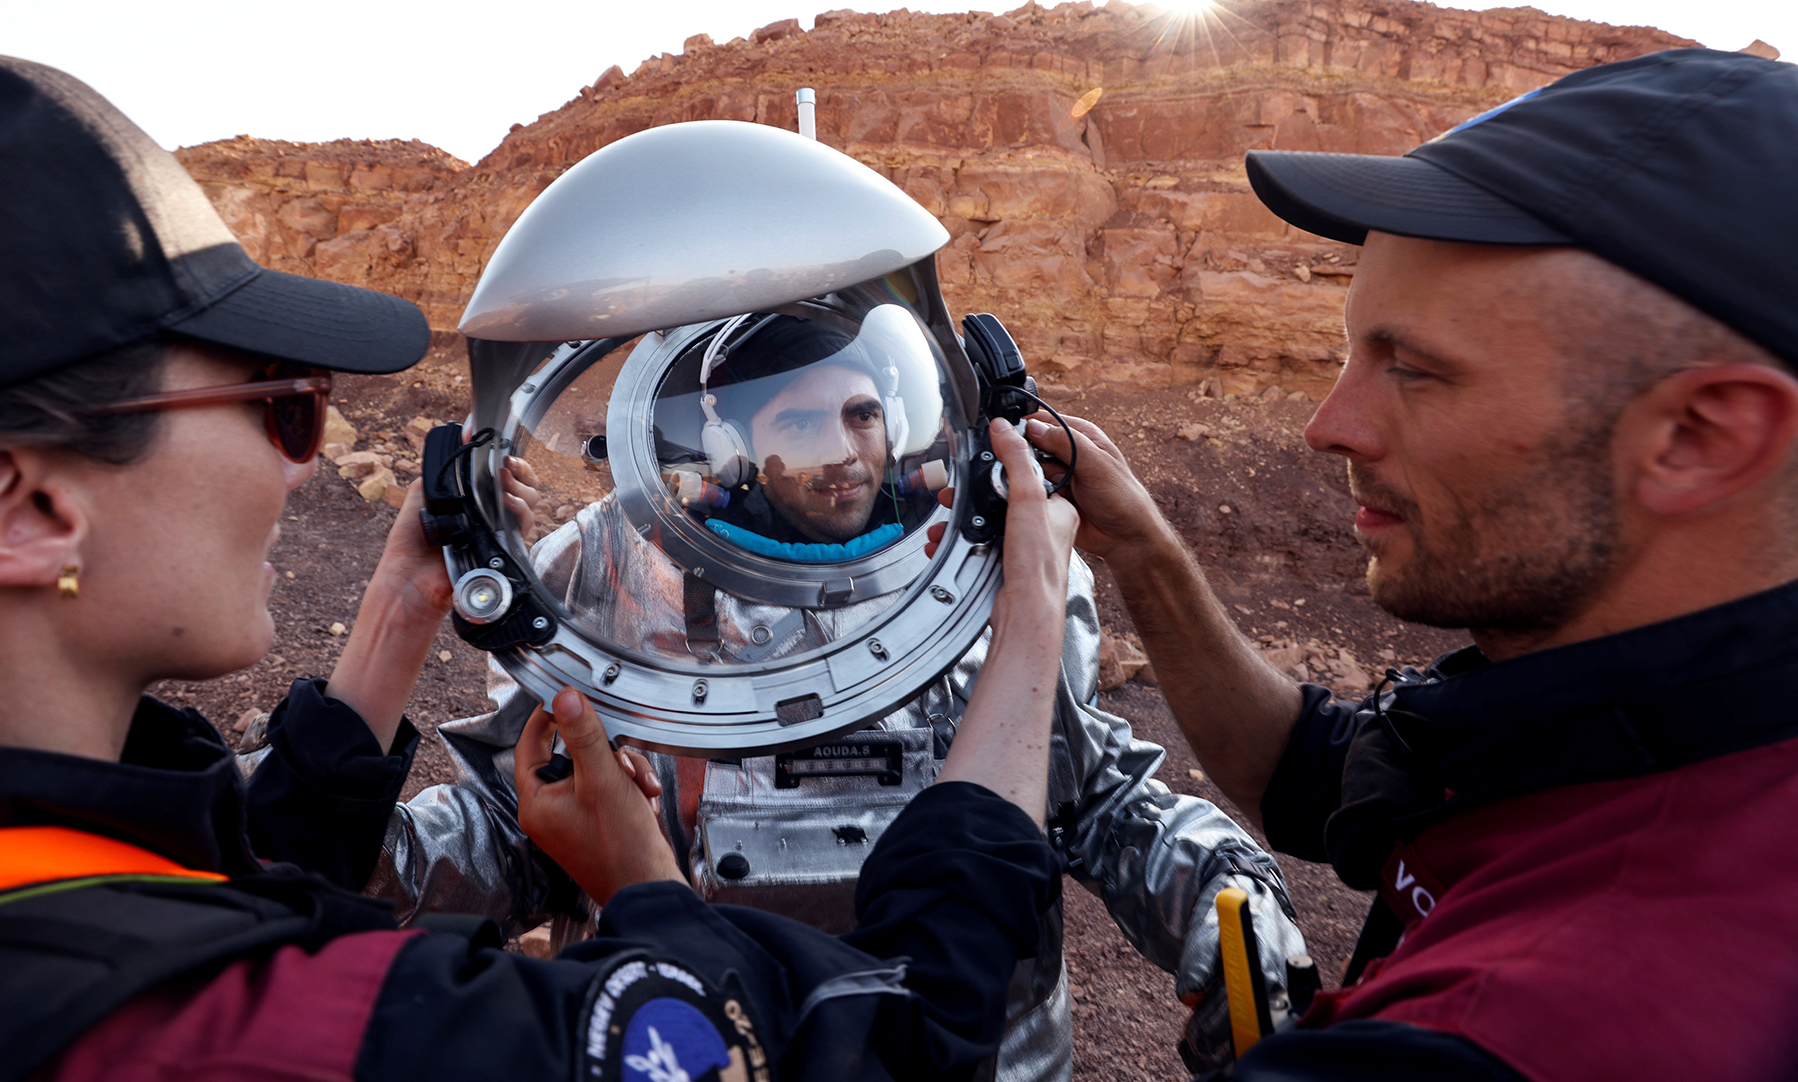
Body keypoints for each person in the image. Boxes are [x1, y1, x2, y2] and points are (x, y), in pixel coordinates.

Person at [0, 14, 1083, 1082]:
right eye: (281, 406)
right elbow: (901, 1039)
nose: (301, 465)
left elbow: (238, 872)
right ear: (17, 507)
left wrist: (396, 619)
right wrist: (1025, 623)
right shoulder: (277, 1033)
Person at [1033, 47, 1798, 1081]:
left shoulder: (1499, 1035)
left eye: (1416, 369)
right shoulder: (1649, 712)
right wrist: (1146, 550)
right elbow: (1317, 774)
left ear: (1699, 437)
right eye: (1348, 351)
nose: (1325, 425)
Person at [350, 310, 1306, 1080]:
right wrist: (364, 858)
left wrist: (1227, 893)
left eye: (860, 414)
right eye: (800, 424)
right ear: (730, 438)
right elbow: (518, 826)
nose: (845, 451)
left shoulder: (985, 564)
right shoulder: (600, 574)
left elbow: (1096, 799)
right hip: (693, 1046)